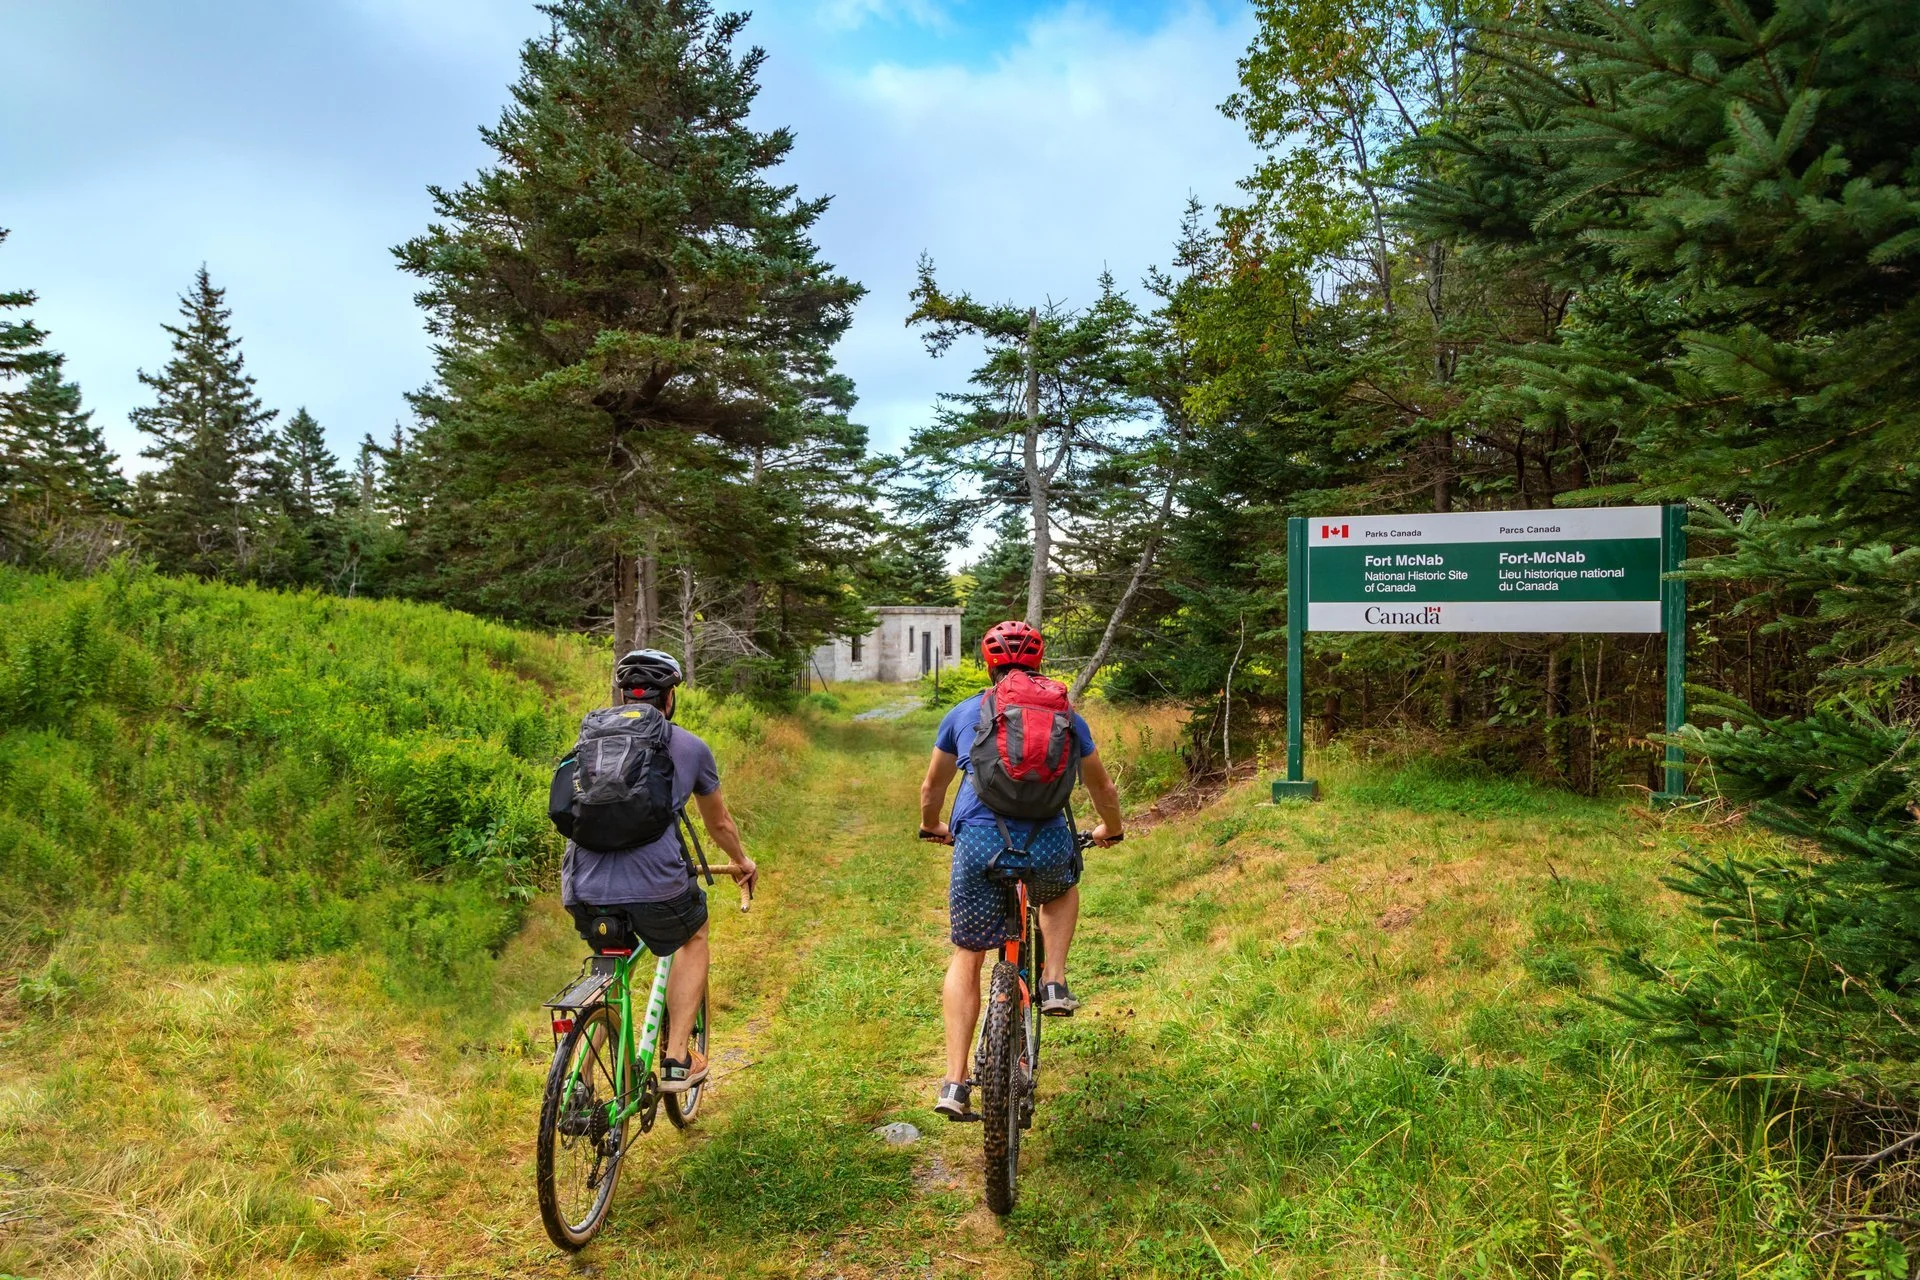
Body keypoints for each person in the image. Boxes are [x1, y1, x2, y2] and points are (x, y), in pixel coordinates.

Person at [918, 620, 1124, 1120]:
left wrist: (933, 827)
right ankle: (1053, 980)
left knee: (968, 955)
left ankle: (953, 1082)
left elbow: (932, 789)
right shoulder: (1067, 716)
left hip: (979, 843)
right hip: (1048, 839)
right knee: (1059, 888)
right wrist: (1110, 830)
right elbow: (1102, 790)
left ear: (989, 664)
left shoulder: (965, 712)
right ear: (1039, 662)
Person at [560, 649, 758, 1093]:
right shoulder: (689, 746)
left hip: (583, 886)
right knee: (693, 935)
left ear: (622, 694)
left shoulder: (587, 741)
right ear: (668, 698)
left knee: (608, 970)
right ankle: (676, 1059)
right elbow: (719, 822)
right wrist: (742, 861)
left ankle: (578, 1081)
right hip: (657, 885)